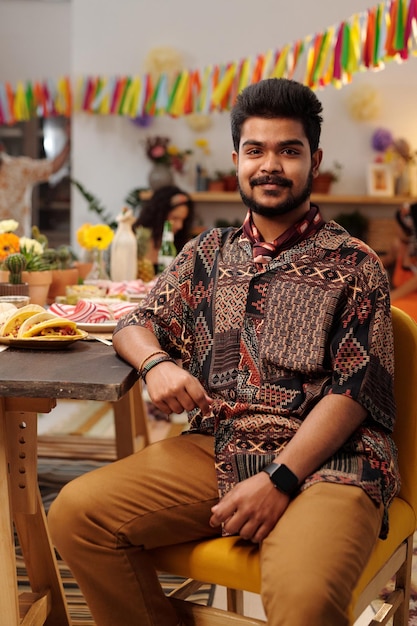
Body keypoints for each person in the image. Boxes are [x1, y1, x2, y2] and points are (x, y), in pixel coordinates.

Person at [48, 78, 400, 626]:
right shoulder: (208, 253)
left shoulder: (355, 264)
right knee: (75, 514)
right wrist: (156, 362)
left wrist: (280, 479)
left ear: (315, 159)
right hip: (219, 447)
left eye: (289, 150)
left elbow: (354, 392)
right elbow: (135, 323)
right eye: (256, 150)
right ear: (236, 158)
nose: (271, 165)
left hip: (335, 463)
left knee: (304, 601)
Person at [0, 126, 70, 236]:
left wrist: (69, 142)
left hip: (19, 243)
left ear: (1, 148)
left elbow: (52, 167)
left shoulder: (19, 167)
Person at [133, 184, 194, 270]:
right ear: (159, 215)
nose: (180, 226)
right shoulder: (138, 239)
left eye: (183, 220)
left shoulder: (184, 246)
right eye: (174, 218)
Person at [380, 202, 417, 321]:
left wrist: (385, 299)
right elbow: (385, 260)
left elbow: (411, 284)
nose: (396, 228)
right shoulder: (397, 246)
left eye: (399, 225)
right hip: (398, 301)